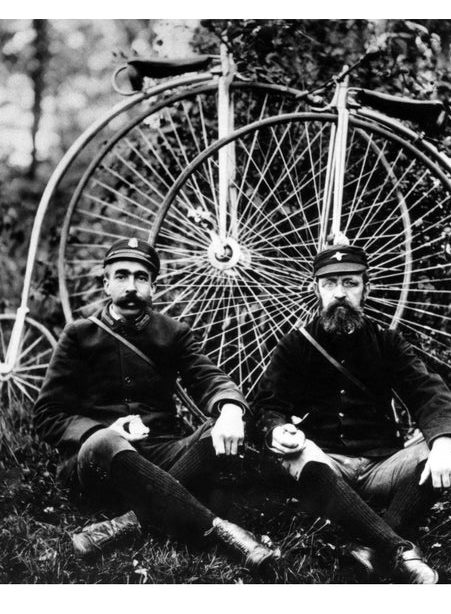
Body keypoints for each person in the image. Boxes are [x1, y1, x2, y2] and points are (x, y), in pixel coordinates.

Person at [32, 237, 278, 571]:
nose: (130, 286)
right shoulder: (79, 334)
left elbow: (210, 378)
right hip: (99, 464)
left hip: (162, 453)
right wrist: (106, 429)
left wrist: (231, 411)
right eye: (121, 276)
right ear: (106, 284)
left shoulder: (172, 333)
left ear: (154, 287)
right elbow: (47, 416)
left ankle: (125, 524)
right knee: (106, 441)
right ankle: (223, 531)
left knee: (217, 432)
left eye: (140, 277)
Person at [253, 243, 451, 583]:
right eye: (329, 284)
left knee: (441, 448)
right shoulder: (297, 344)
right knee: (296, 454)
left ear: (368, 286)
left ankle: (374, 545)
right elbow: (267, 405)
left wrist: (443, 443)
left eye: (350, 283)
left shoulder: (387, 342)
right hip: (325, 466)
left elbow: (427, 392)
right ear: (316, 289)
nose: (339, 294)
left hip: (381, 467)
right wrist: (277, 430)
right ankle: (394, 548)